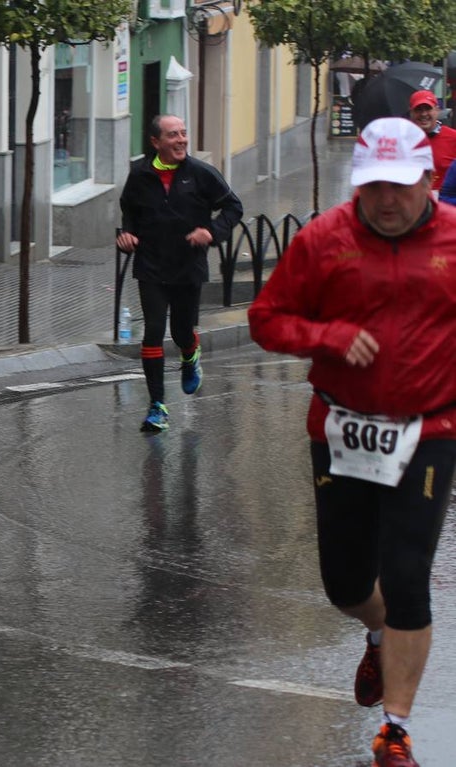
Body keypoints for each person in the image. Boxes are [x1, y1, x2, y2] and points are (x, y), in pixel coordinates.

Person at [249, 117, 456, 767]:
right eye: (373, 186)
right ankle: (375, 632)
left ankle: (395, 731)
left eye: (400, 185)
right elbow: (266, 319)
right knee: (344, 582)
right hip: (342, 427)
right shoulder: (323, 240)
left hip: (428, 429)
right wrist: (328, 337)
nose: (386, 200)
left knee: (408, 576)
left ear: (429, 177)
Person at [115, 114, 243, 432]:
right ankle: (157, 406)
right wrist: (127, 235)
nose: (182, 139)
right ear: (156, 142)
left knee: (181, 331)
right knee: (153, 331)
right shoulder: (140, 175)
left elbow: (233, 207)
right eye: (173, 134)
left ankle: (190, 353)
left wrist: (211, 232)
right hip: (151, 266)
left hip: (188, 266)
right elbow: (129, 210)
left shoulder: (200, 173)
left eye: (183, 133)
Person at [406, 89, 456, 193]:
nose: (423, 114)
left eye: (428, 109)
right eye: (418, 109)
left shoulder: (453, 137)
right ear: (411, 112)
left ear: (437, 110)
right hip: (412, 199)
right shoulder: (402, 140)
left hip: (446, 200)